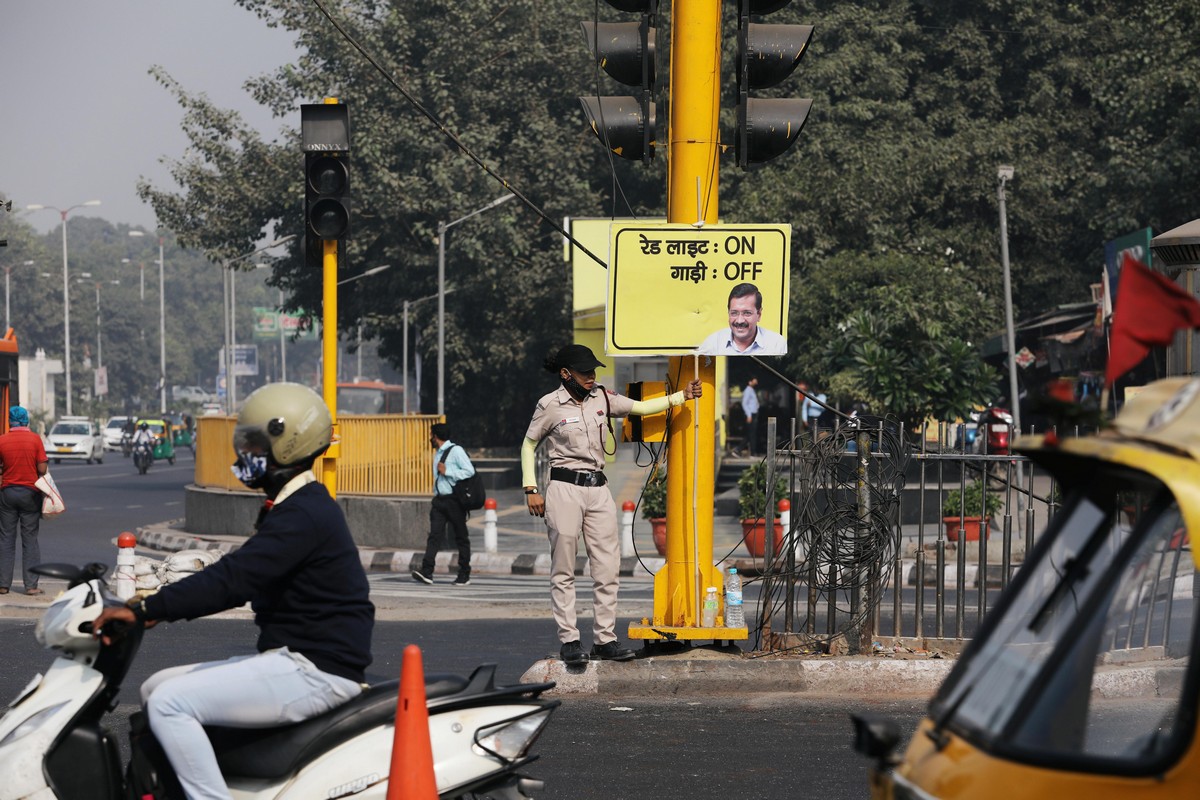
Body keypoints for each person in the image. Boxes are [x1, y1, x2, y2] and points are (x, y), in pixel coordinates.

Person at [93, 382, 374, 800]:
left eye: (258, 447)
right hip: (292, 658)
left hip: (315, 670)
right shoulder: (295, 507)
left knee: (170, 703)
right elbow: (236, 574)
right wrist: (147, 608)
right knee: (154, 690)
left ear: (289, 446)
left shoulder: (305, 514)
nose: (248, 457)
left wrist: (149, 608)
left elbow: (233, 579)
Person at [522, 343, 702, 665]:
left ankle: (605, 639)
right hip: (564, 488)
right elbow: (529, 444)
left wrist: (682, 396)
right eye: (584, 372)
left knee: (607, 567)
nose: (591, 376)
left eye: (593, 371)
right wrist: (530, 488)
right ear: (565, 374)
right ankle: (570, 640)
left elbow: (641, 409)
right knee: (563, 569)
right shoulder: (549, 404)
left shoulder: (603, 398)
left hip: (599, 489)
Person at [412, 422, 476, 586]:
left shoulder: (456, 451)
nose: (430, 439)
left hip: (454, 501)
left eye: (431, 435)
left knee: (461, 537)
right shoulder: (438, 453)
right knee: (434, 536)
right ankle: (427, 571)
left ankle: (464, 573)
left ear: (435, 436)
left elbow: (469, 471)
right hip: (439, 501)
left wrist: (448, 471)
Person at [0, 405, 49, 596]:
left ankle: (3, 585)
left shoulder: (2, 440)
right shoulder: (35, 439)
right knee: (30, 540)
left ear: (10, 421)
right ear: (26, 420)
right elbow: (43, 469)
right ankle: (31, 586)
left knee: (6, 539)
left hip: (7, 495)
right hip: (30, 494)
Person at [695, 282, 787, 355]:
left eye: (747, 313)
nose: (739, 321)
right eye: (734, 313)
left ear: (759, 314)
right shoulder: (712, 345)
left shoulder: (776, 345)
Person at [741, 376, 760, 457]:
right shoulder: (748, 390)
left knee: (751, 434)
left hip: (754, 414)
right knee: (751, 434)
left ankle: (738, 450)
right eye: (754, 380)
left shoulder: (752, 390)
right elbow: (744, 403)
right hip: (751, 414)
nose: (756, 382)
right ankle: (752, 452)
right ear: (750, 381)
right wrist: (749, 415)